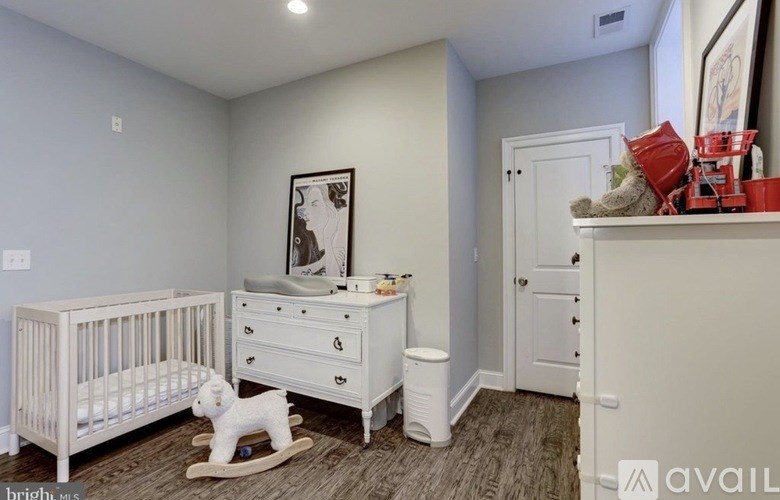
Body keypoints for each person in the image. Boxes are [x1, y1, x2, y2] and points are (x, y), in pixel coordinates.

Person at [290, 182, 348, 277]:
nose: (306, 212)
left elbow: (335, 278)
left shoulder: (336, 237)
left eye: (313, 205)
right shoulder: (299, 232)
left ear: (329, 210)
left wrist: (327, 239)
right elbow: (290, 273)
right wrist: (320, 263)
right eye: (308, 205)